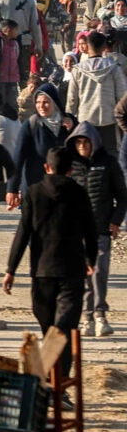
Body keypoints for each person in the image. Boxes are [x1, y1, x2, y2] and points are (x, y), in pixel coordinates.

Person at [3, 148, 97, 380]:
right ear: (70, 170)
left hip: (42, 271)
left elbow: (22, 233)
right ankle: (57, 380)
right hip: (71, 270)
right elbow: (91, 232)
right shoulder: (79, 193)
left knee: (50, 330)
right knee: (62, 331)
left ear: (47, 167)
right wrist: (90, 259)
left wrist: (10, 269)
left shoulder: (33, 193)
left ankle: (51, 379)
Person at [66, 123, 126, 336]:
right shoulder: (71, 165)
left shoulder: (109, 163)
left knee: (99, 272)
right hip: (76, 232)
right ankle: (86, 317)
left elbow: (122, 196)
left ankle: (100, 314)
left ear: (94, 142)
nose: (82, 146)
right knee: (82, 275)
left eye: (86, 141)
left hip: (100, 230)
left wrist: (116, 221)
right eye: (78, 142)